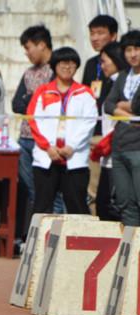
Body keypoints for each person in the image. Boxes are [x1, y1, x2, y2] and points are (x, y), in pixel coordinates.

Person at [28, 47, 97, 216]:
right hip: (46, 158)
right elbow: (33, 120)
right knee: (42, 207)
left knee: (77, 207)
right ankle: (40, 235)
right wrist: (47, 147)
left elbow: (89, 122)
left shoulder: (85, 93)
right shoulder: (43, 91)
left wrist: (72, 146)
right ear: (54, 66)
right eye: (63, 63)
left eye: (72, 63)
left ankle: (80, 235)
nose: (67, 67)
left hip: (74, 159)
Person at [12, 25, 53, 239]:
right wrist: (34, 99)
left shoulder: (55, 71)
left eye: (28, 48)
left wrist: (31, 99)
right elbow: (16, 104)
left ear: (42, 45)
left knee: (45, 190)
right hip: (25, 138)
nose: (27, 53)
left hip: (45, 142)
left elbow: (50, 103)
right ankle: (31, 235)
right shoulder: (28, 73)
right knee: (29, 190)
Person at [82, 15, 119, 214]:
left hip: (115, 136)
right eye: (92, 33)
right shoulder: (91, 64)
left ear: (113, 35)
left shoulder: (123, 70)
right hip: (94, 133)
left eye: (100, 33)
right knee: (93, 190)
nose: (95, 38)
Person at [104, 30, 140, 227]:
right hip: (120, 146)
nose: (133, 54)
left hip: (138, 147)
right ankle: (132, 241)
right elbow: (108, 105)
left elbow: (137, 106)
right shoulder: (123, 76)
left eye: (137, 49)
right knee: (125, 201)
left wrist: (125, 106)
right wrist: (130, 116)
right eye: (128, 50)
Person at [92, 42, 127, 222]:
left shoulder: (125, 84)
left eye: (104, 61)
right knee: (103, 203)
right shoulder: (111, 83)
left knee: (113, 204)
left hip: (120, 150)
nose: (102, 66)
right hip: (108, 152)